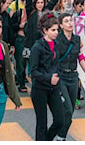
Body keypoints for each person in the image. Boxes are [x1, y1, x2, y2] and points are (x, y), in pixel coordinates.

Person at [55, 13, 85, 141]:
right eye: (66, 21)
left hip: (73, 77)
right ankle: (60, 136)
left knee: (70, 110)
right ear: (61, 25)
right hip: (60, 77)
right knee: (67, 108)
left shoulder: (77, 40)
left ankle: (61, 135)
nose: (70, 23)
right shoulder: (57, 40)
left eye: (71, 20)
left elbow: (81, 58)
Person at [29, 12, 64, 141]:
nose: (56, 33)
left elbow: (57, 64)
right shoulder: (37, 47)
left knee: (60, 120)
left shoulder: (57, 45)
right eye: (53, 30)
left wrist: (58, 77)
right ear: (45, 30)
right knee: (42, 123)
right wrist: (49, 78)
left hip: (54, 88)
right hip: (40, 89)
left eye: (57, 30)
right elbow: (33, 71)